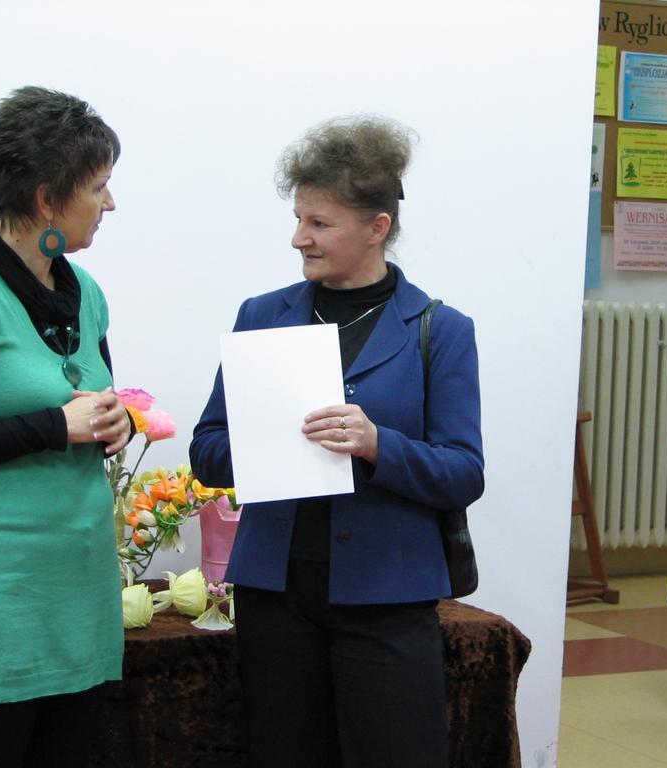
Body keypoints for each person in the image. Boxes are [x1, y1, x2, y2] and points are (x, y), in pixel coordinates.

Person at [191, 115, 484, 767]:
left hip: (388, 596)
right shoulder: (261, 316)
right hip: (275, 597)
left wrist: (378, 445)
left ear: (377, 227)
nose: (300, 238)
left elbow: (464, 473)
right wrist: (268, 439)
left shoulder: (440, 329)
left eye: (319, 223)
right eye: (299, 219)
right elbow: (207, 452)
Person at [0, 86, 130, 767]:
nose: (110, 203)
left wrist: (116, 422)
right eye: (98, 187)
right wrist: (52, 427)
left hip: (77, 594)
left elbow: (90, 404)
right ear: (46, 199)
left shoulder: (85, 291)